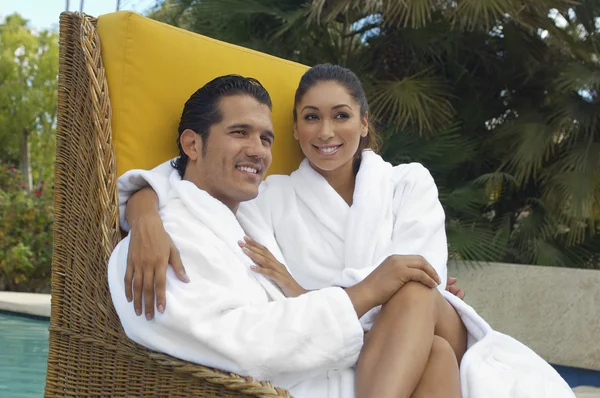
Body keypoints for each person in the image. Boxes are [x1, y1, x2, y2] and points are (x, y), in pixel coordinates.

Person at [118, 68, 575, 398]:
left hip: (408, 319)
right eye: (310, 117)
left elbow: (418, 276)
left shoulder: (405, 182)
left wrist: (331, 291)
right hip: (359, 344)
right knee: (431, 350)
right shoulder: (265, 197)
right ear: (297, 129)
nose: (326, 131)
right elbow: (180, 179)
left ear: (364, 122)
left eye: (341, 115)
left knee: (413, 292)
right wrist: (143, 209)